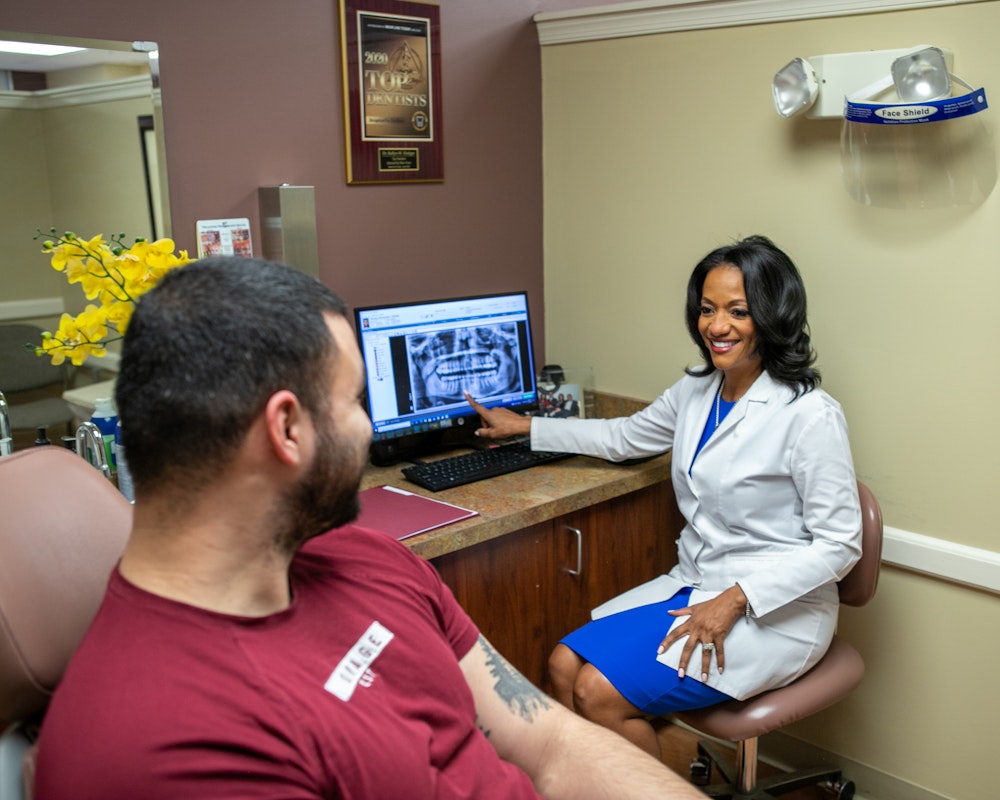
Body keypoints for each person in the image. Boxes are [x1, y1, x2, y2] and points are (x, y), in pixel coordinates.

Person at [33, 256, 705, 799]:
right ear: (288, 428)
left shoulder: (368, 559)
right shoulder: (154, 749)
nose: (371, 427)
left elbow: (551, 744)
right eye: (357, 401)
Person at [466, 235, 862, 758]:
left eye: (737, 311)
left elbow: (840, 544)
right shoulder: (698, 390)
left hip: (773, 610)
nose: (716, 326)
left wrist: (734, 599)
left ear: (772, 315)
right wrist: (526, 427)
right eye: (707, 309)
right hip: (695, 586)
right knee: (563, 665)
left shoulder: (809, 414)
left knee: (596, 693)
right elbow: (624, 438)